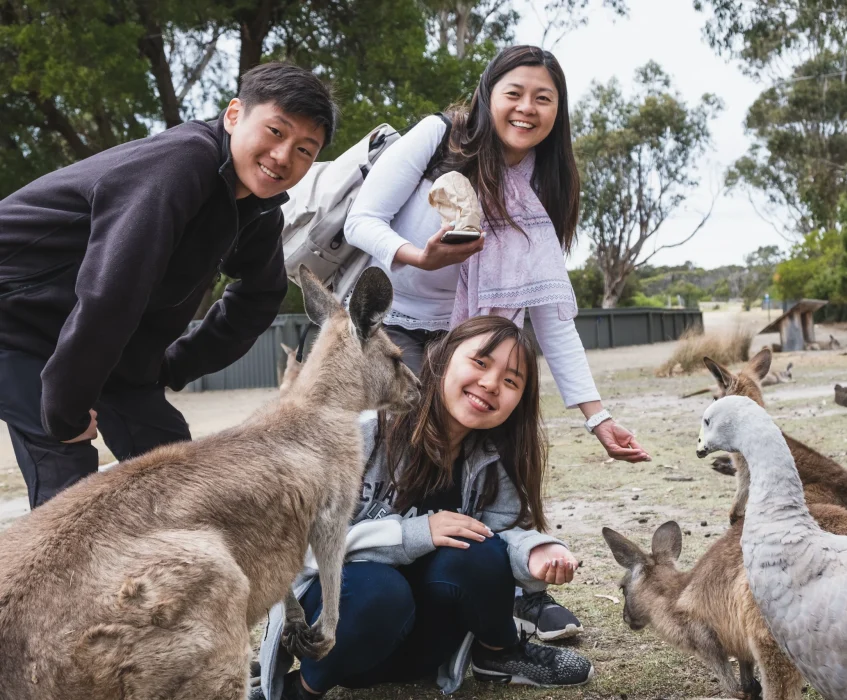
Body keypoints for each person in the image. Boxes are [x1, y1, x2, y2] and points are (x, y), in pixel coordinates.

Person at [344, 44, 649, 641]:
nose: (527, 108)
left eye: (544, 98)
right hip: (395, 326)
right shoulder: (439, 136)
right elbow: (362, 221)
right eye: (514, 93)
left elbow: (550, 314)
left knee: (503, 448)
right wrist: (418, 255)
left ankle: (518, 591)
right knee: (391, 456)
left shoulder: (544, 183)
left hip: (474, 338)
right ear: (488, 95)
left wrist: (597, 416)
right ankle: (360, 581)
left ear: (558, 111)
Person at [0, 62, 337, 508]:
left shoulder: (258, 210)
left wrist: (171, 366)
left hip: (89, 332)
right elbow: (113, 290)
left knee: (174, 466)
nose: (283, 156)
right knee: (71, 481)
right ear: (235, 115)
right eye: (276, 132)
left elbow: (259, 299)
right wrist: (65, 409)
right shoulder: (180, 165)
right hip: (15, 319)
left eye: (304, 150)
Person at [256, 316, 594, 700]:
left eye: (511, 380)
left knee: (479, 549)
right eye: (480, 363)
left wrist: (536, 550)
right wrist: (415, 533)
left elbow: (504, 533)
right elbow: (296, 550)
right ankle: (300, 690)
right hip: (346, 629)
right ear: (441, 357)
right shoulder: (362, 432)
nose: (491, 383)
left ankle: (498, 654)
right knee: (381, 590)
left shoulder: (493, 458)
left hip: (425, 649)